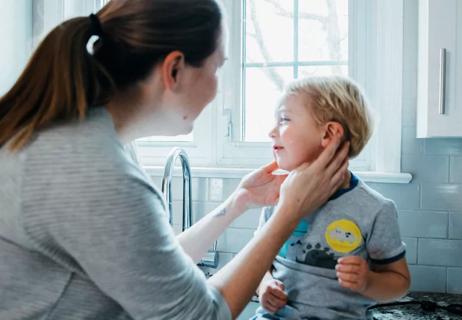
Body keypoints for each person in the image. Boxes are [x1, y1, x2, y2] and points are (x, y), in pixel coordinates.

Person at [0, 1, 350, 319]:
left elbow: (149, 267)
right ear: (175, 69)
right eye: (216, 68)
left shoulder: (83, 140)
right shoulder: (96, 170)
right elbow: (198, 316)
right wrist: (289, 213)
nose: (216, 89)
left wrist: (238, 203)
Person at [252, 76, 410, 320]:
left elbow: (400, 282)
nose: (271, 132)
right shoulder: (277, 195)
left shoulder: (375, 209)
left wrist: (368, 281)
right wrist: (265, 287)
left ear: (329, 133)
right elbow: (260, 262)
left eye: (284, 119)